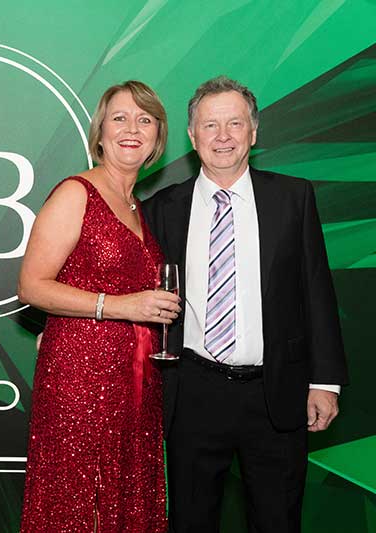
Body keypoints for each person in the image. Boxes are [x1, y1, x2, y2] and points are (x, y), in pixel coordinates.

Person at [142, 76, 349, 533]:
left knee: (277, 521)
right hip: (192, 392)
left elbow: (317, 290)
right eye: (210, 125)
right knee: (191, 522)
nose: (223, 136)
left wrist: (325, 381)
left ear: (253, 132)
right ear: (192, 135)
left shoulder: (293, 197)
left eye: (235, 123)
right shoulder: (161, 208)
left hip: (276, 391)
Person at [17, 80, 180, 533]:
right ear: (100, 133)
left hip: (137, 381)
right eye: (119, 118)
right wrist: (120, 306)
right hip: (80, 378)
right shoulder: (76, 193)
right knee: (78, 502)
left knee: (125, 501)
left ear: (158, 137)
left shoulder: (138, 207)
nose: (132, 129)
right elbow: (31, 286)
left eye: (145, 120)